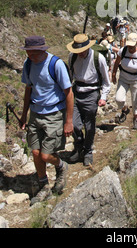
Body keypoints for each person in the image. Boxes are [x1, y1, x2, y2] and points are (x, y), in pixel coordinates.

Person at [19, 35, 74, 205]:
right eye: (28, 53)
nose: (30, 56)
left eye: (32, 53)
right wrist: (23, 115)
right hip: (35, 113)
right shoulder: (28, 65)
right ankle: (44, 187)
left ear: (41, 50)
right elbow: (28, 90)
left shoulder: (55, 64)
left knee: (46, 154)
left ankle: (60, 166)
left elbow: (69, 93)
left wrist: (68, 121)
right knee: (35, 152)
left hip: (54, 113)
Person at [67, 34, 110, 166]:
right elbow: (69, 77)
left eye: (81, 51)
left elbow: (106, 82)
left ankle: (87, 151)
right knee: (73, 124)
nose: (79, 53)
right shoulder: (72, 56)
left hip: (92, 93)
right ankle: (79, 146)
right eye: (77, 51)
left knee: (90, 126)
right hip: (76, 92)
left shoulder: (99, 58)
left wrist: (103, 97)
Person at [112, 33, 137, 131]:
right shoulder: (122, 51)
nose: (130, 48)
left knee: (135, 101)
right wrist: (114, 74)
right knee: (119, 99)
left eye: (132, 46)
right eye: (129, 45)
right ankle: (125, 109)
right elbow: (117, 63)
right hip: (123, 78)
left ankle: (136, 119)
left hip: (136, 80)